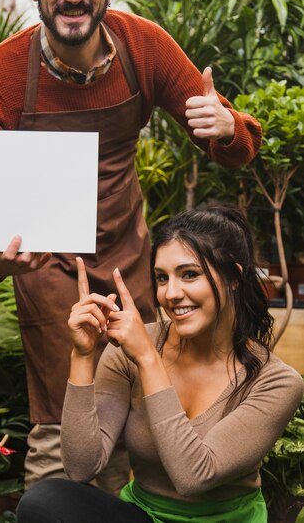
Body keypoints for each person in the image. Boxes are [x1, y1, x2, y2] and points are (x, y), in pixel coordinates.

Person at [0, 0, 262, 489]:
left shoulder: (143, 47)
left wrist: (227, 128)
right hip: (45, 274)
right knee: (58, 430)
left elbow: (232, 144)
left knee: (138, 416)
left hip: (131, 262)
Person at [16, 206, 304, 523]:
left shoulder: (276, 381)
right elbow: (82, 466)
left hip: (224, 520)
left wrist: (148, 359)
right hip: (145, 515)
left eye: (189, 274)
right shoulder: (131, 349)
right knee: (46, 501)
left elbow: (195, 477)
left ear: (233, 277)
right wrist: (82, 356)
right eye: (161, 278)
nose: (171, 293)